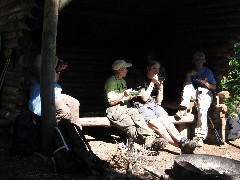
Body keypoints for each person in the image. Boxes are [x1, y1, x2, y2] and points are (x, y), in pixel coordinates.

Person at [132, 58, 197, 154]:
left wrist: (160, 88)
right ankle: (182, 146)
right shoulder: (140, 80)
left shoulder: (157, 81)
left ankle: (183, 142)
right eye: (154, 68)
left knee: (168, 124)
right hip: (142, 107)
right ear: (148, 69)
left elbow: (159, 101)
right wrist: (152, 83)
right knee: (160, 128)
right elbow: (144, 98)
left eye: (158, 69)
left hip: (154, 105)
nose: (157, 71)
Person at [104, 59, 163, 149]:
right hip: (115, 109)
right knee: (130, 124)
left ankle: (151, 137)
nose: (127, 70)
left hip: (126, 106)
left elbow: (124, 98)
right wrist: (123, 94)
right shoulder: (111, 82)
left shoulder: (122, 81)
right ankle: (146, 141)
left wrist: (132, 95)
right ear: (120, 70)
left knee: (138, 118)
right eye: (126, 69)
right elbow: (111, 102)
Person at [175, 51, 217, 147]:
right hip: (194, 93)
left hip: (205, 93)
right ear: (194, 61)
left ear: (203, 62)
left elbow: (214, 87)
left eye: (200, 61)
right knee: (187, 84)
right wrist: (189, 75)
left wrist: (206, 83)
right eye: (197, 61)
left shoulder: (207, 71)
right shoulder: (192, 71)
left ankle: (200, 137)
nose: (199, 63)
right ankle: (183, 108)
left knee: (202, 111)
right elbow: (187, 83)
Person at [28, 54, 80, 126]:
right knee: (64, 110)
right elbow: (43, 81)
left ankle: (76, 133)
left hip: (55, 93)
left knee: (74, 103)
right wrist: (53, 67)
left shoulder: (54, 57)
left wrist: (58, 70)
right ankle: (55, 133)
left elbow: (55, 81)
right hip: (42, 94)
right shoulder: (40, 58)